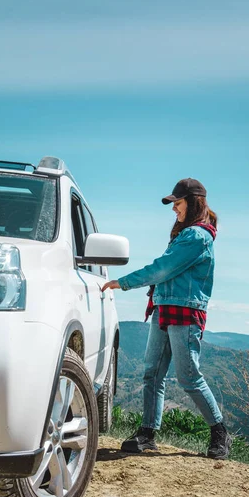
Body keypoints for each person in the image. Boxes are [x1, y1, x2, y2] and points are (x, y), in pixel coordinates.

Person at [102, 178, 232, 460]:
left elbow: (162, 269)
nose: (174, 208)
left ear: (193, 202)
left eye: (178, 202)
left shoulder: (197, 236)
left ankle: (220, 432)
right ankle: (147, 434)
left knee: (188, 377)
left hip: (185, 312)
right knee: (152, 373)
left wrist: (123, 282)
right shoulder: (187, 235)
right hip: (164, 309)